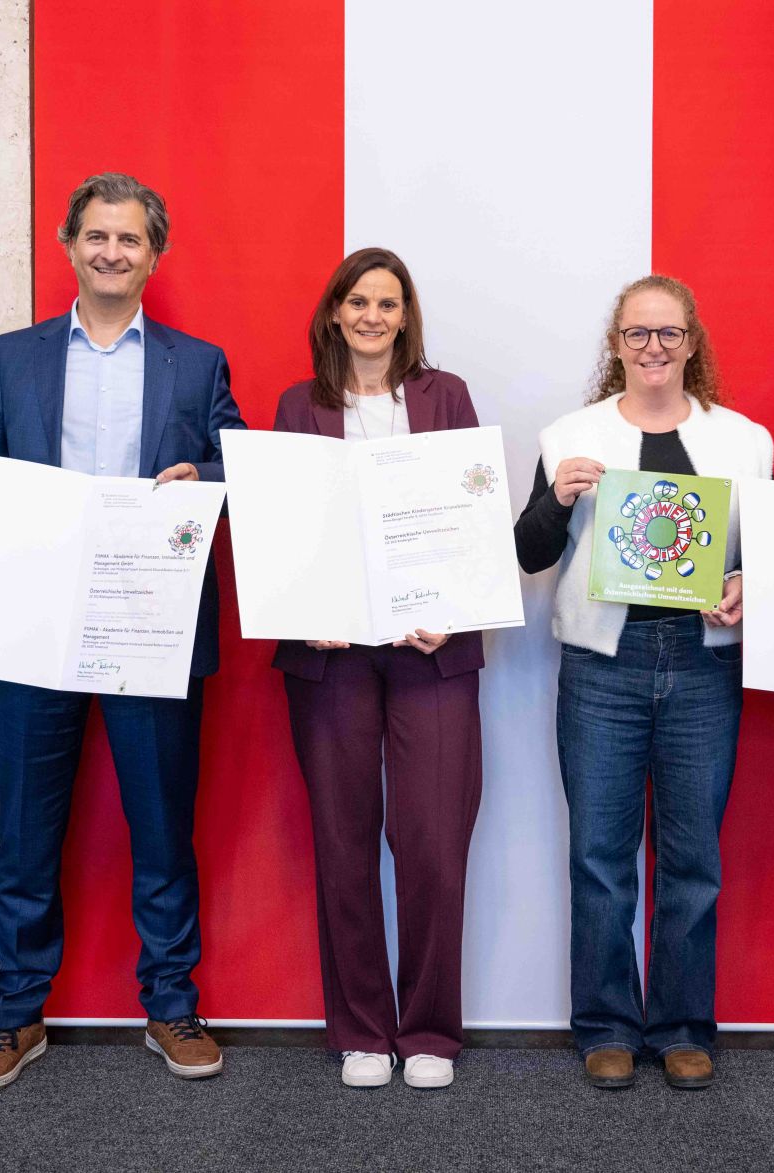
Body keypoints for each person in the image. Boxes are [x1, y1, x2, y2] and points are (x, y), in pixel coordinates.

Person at [0, 173, 245, 1091]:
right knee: (26, 829)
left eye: (129, 239)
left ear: (153, 255)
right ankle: (16, 1015)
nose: (111, 252)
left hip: (152, 619)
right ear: (69, 245)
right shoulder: (16, 357)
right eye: (96, 236)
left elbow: (240, 464)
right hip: (34, 620)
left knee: (163, 825)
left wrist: (202, 473)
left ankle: (171, 1005)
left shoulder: (196, 360)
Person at [515, 275, 770, 1090]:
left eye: (668, 333)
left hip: (702, 663)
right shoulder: (568, 436)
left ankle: (684, 1025)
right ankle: (606, 1024)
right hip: (603, 667)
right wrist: (557, 498)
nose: (653, 348)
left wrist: (748, 583)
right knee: (599, 854)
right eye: (637, 334)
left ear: (692, 343)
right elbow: (527, 552)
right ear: (616, 346)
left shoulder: (746, 441)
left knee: (693, 855)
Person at [271, 247, 484, 1091]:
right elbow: (284, 529)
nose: (371, 315)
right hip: (332, 657)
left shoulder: (446, 396)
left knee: (433, 840)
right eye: (357, 301)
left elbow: (471, 514)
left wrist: (455, 606)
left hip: (432, 649)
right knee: (343, 838)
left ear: (406, 316)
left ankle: (430, 1029)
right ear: (333, 312)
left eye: (387, 303)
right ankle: (362, 1028)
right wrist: (306, 607)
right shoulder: (299, 403)